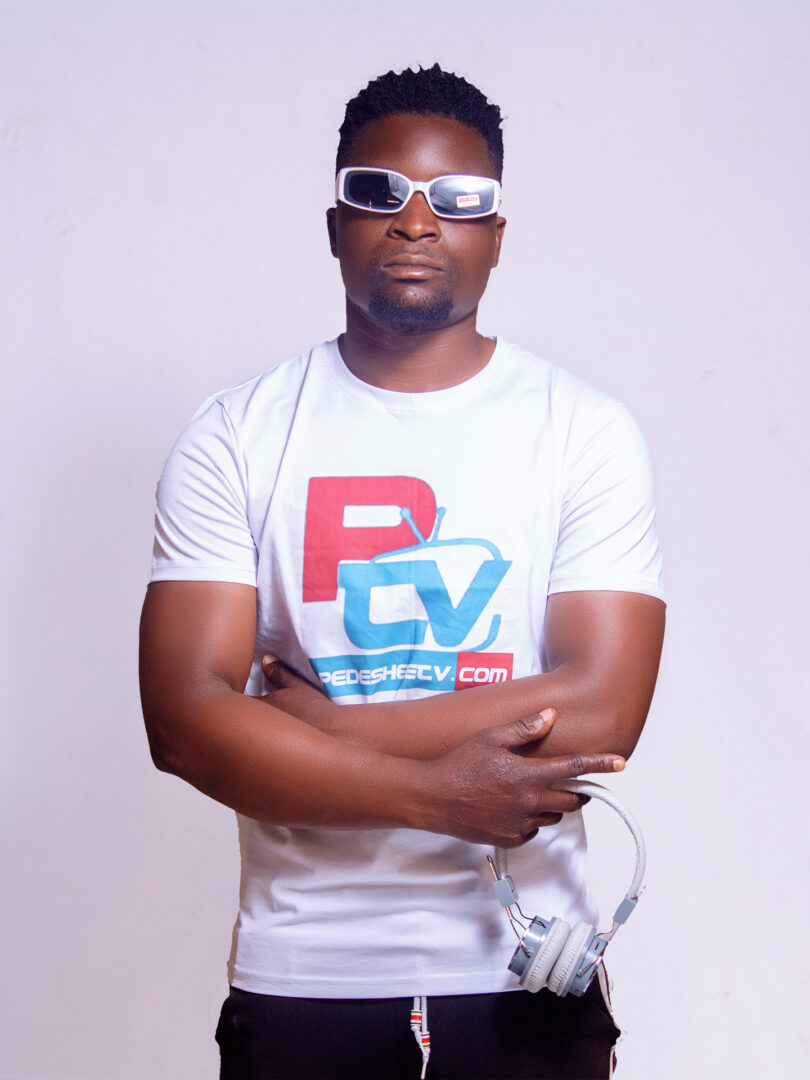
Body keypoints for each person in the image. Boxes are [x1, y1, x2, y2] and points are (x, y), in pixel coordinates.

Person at [139, 64, 665, 1080]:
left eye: (458, 199)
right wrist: (433, 794)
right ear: (335, 224)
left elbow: (602, 710)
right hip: (304, 981)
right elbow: (183, 722)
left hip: (526, 978)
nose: (418, 221)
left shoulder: (583, 432)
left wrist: (323, 728)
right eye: (380, 191)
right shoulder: (236, 435)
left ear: (496, 235)